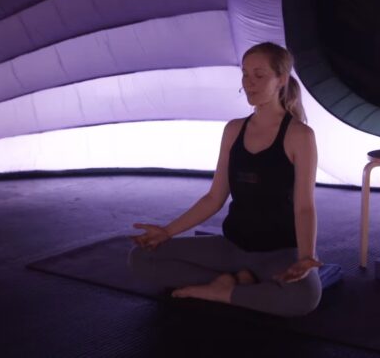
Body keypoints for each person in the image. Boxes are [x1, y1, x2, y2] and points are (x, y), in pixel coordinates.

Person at [127, 41, 323, 317]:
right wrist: (167, 232)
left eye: (259, 75)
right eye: (244, 73)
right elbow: (214, 198)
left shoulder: (300, 136)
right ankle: (237, 284)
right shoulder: (234, 130)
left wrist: (305, 257)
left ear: (281, 80)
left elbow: (304, 207)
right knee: (142, 258)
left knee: (305, 297)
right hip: (231, 248)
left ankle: (222, 290)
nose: (249, 82)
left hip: (278, 252)